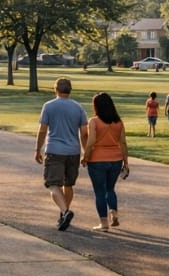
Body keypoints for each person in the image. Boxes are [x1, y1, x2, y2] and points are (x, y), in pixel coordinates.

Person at [36, 77, 88, 231]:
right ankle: (63, 213)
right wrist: (86, 153)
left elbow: (43, 130)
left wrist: (37, 149)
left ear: (56, 89)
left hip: (54, 150)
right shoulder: (78, 108)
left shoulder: (49, 106)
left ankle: (65, 211)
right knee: (68, 184)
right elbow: (84, 133)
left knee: (52, 184)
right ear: (70, 89)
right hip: (73, 151)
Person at [81, 92, 129, 231]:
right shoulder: (118, 122)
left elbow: (90, 143)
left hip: (97, 159)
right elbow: (123, 143)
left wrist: (86, 157)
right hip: (116, 159)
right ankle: (114, 212)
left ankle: (104, 223)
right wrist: (126, 162)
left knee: (99, 192)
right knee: (110, 188)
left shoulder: (94, 121)